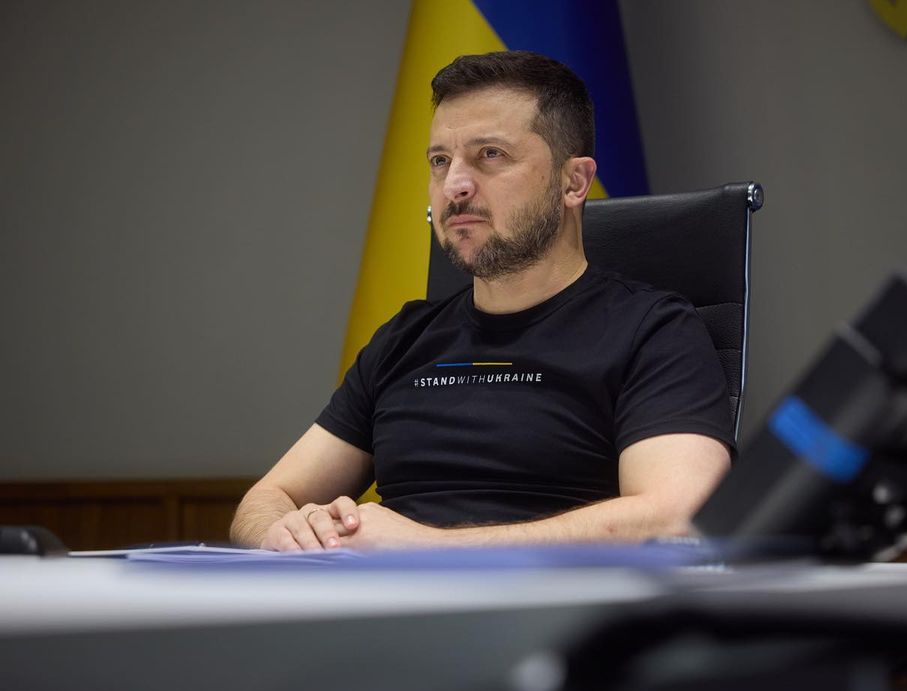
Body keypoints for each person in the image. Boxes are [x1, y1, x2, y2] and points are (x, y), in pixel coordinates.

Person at [230, 51, 734, 552]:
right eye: (440, 161)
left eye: (490, 154)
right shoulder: (404, 338)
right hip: (373, 598)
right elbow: (268, 498)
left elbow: (679, 515)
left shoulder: (653, 331)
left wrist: (432, 550)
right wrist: (284, 532)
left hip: (543, 601)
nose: (454, 185)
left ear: (574, 182)